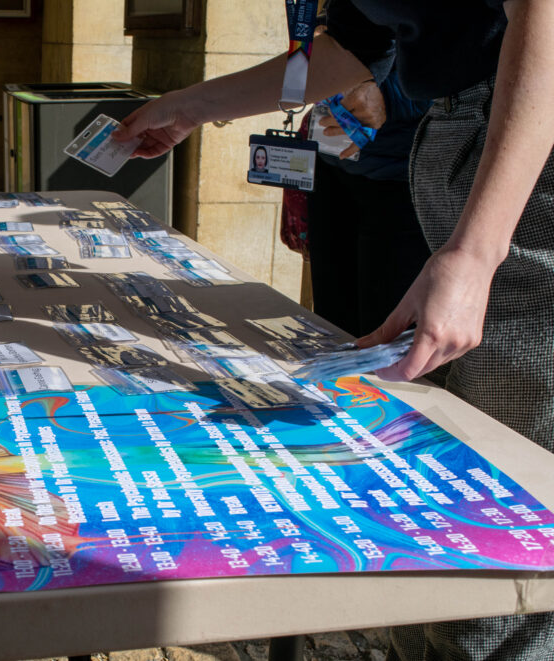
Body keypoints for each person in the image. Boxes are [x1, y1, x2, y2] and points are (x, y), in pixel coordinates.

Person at [113, 1, 554, 658]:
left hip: (521, 160)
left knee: (508, 518)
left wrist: (475, 251)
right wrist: (190, 106)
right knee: (440, 489)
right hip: (458, 137)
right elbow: (350, 45)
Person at [308, 73, 433, 338]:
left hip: (400, 178)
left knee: (383, 333)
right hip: (332, 163)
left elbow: (462, 72)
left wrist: (389, 97)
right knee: (331, 327)